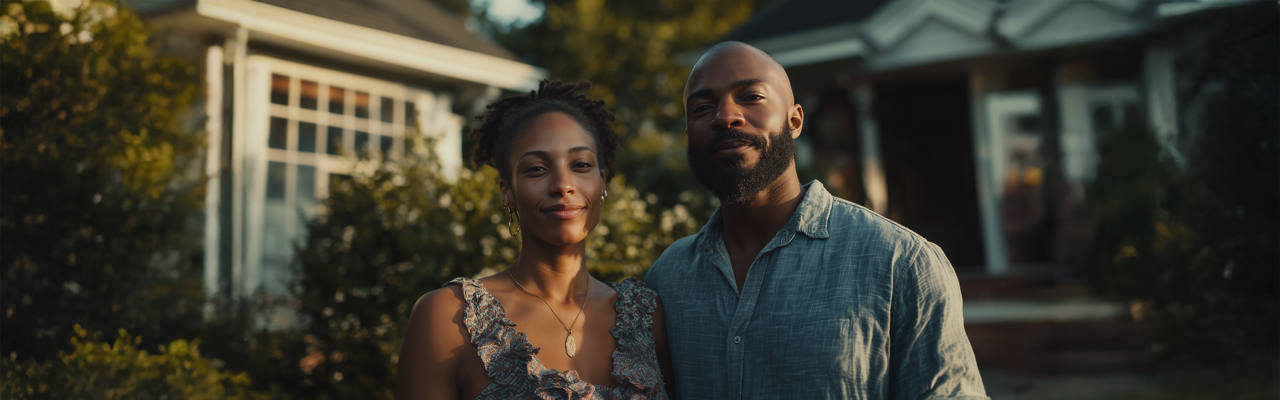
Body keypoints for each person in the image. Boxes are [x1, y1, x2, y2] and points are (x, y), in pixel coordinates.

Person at [644, 42, 989, 399]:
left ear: (794, 121)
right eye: (702, 107)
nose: (725, 116)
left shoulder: (901, 263)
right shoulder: (666, 279)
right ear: (689, 135)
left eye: (751, 97)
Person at [397, 80, 672, 400]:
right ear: (508, 192)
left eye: (581, 165)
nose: (563, 184)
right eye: (537, 169)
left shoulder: (646, 314)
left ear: (602, 182)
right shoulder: (449, 316)